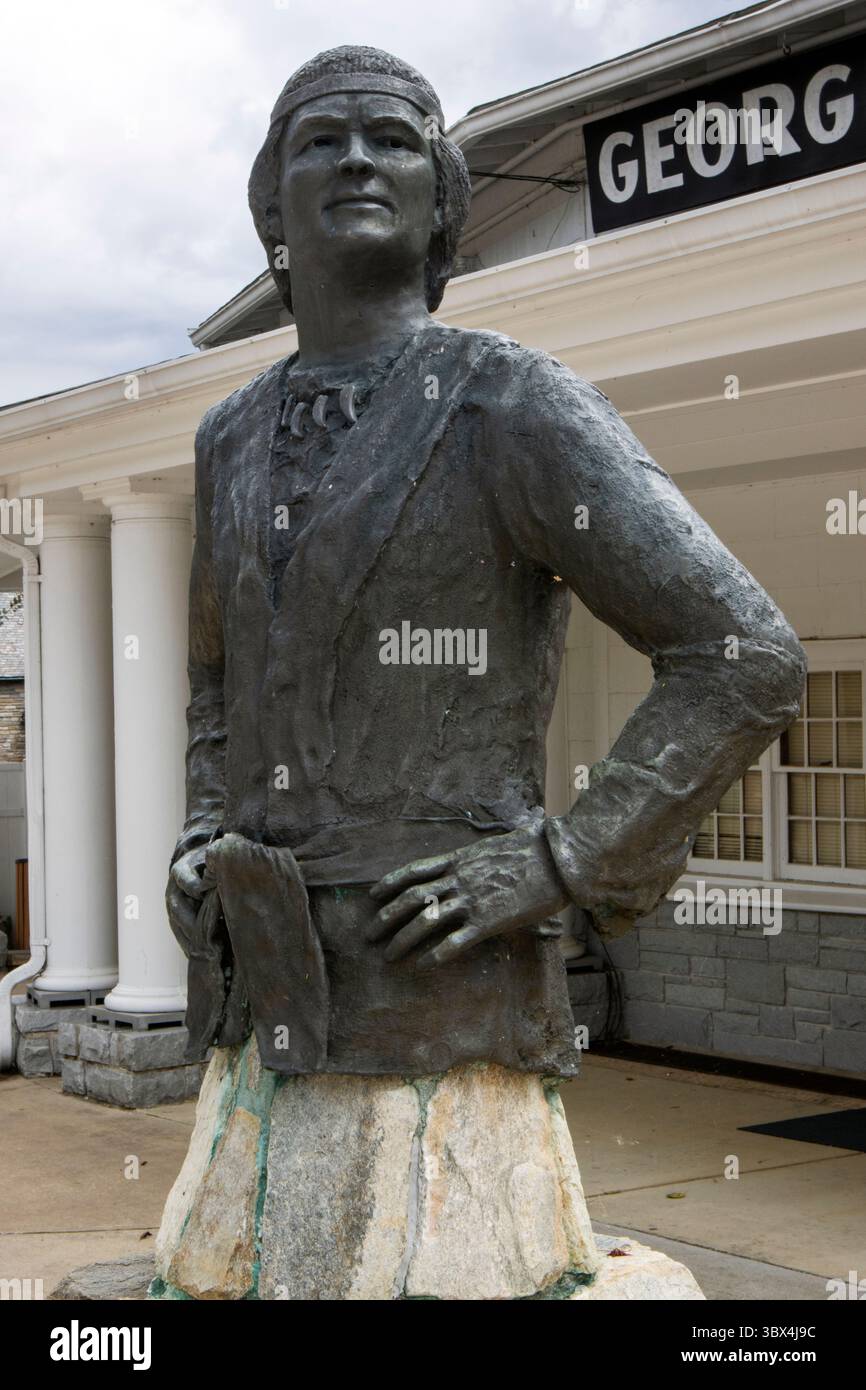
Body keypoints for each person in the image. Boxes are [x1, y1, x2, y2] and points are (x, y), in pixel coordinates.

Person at [166, 46, 805, 1077]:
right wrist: (202, 832)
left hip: (450, 1011)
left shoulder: (508, 400)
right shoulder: (227, 435)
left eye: (392, 141)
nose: (357, 160)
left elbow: (742, 654)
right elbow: (213, 681)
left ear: (440, 205)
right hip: (265, 994)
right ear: (273, 214)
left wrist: (565, 857)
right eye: (320, 143)